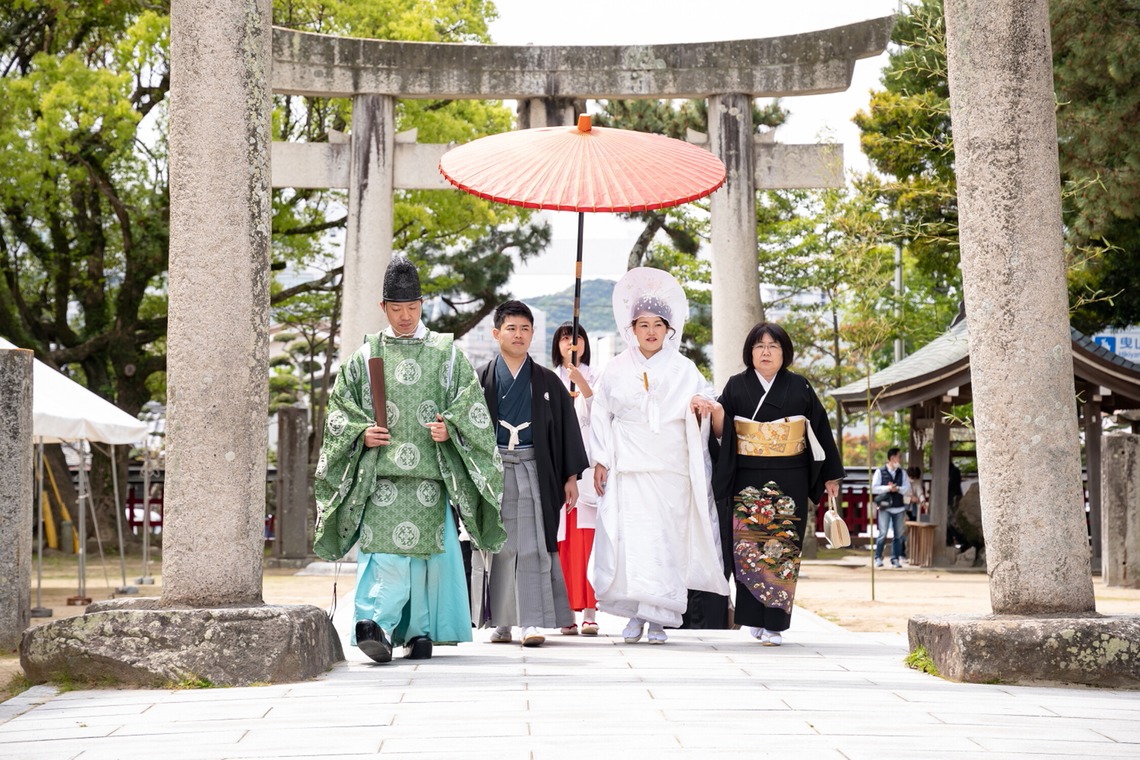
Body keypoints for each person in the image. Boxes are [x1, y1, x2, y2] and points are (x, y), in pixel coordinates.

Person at [313, 256, 506, 664]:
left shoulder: (446, 354)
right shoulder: (365, 356)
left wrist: (449, 428)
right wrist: (360, 433)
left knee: (423, 556)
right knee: (386, 552)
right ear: (383, 308)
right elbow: (339, 413)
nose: (405, 316)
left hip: (429, 477)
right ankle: (376, 624)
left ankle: (418, 632)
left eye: (412, 308)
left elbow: (472, 410)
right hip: (380, 476)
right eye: (396, 309)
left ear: (422, 304)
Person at [589, 267, 729, 645]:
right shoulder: (616, 369)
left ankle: (660, 617)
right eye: (643, 324)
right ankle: (634, 614)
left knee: (665, 541)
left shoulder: (684, 368)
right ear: (631, 328)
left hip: (670, 468)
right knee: (630, 540)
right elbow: (600, 413)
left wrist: (702, 403)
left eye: (658, 324)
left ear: (669, 329)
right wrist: (601, 459)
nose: (650, 331)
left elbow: (708, 397)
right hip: (629, 467)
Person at [710, 322, 844, 646]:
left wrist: (831, 474)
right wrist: (712, 411)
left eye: (773, 346)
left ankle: (775, 623)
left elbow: (821, 431)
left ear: (784, 352)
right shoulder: (735, 385)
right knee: (749, 548)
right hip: (747, 476)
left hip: (790, 477)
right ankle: (753, 619)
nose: (766, 352)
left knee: (782, 549)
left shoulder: (800, 387)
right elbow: (721, 431)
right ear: (750, 352)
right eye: (759, 346)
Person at [474, 301, 589, 647]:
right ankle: (503, 622)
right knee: (499, 546)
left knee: (533, 546)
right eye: (511, 328)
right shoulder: (480, 378)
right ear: (496, 334)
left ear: (533, 334)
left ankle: (531, 622)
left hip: (534, 468)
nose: (519, 334)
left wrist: (570, 477)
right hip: (494, 471)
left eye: (525, 328)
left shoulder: (547, 380)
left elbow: (567, 429)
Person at [551, 322, 602, 636]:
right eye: (565, 337)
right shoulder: (546, 376)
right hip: (556, 466)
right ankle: (565, 610)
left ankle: (591, 610)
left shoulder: (596, 375)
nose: (571, 342)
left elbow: (601, 412)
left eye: (577, 337)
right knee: (561, 543)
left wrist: (581, 383)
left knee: (587, 541)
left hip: (585, 464)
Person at [872, 447, 911, 568]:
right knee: (882, 533)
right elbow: (874, 488)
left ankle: (895, 559)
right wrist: (888, 488)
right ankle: (878, 557)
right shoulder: (880, 471)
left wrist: (897, 488)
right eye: (899, 456)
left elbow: (907, 488)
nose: (900, 459)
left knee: (898, 535)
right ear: (892, 458)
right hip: (885, 507)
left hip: (899, 507)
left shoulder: (902, 472)